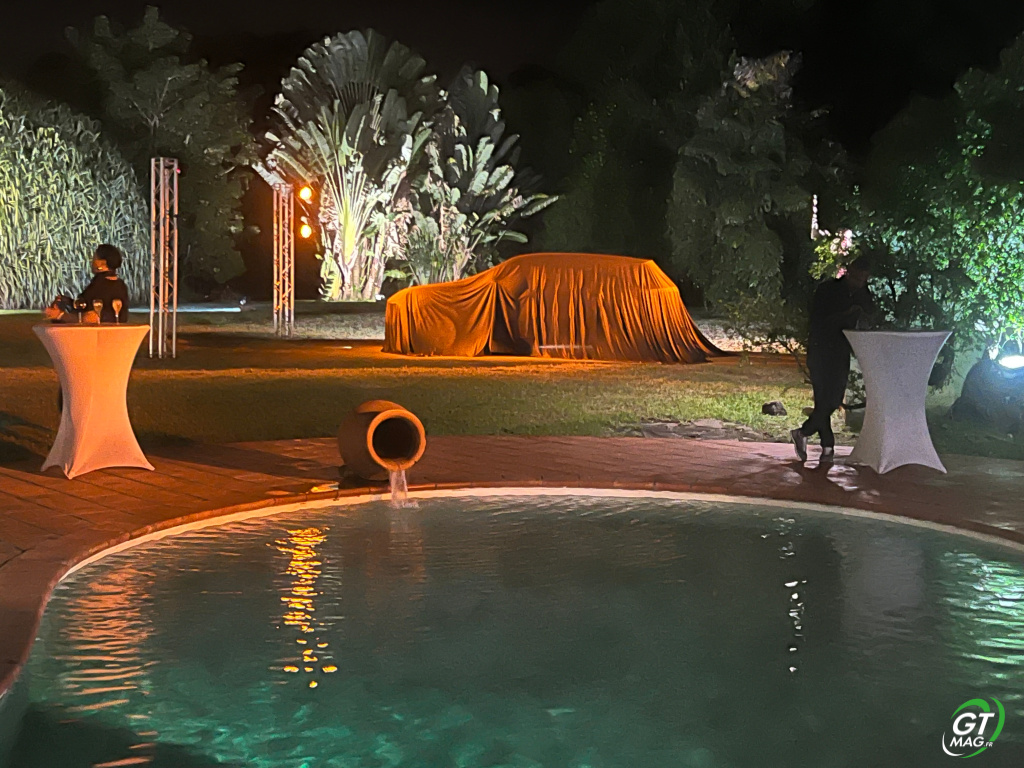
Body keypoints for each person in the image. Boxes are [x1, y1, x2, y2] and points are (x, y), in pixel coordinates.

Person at [791, 257, 874, 464]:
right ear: (849, 272)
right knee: (823, 398)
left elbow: (871, 314)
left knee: (834, 399)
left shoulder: (863, 295)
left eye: (863, 280)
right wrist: (844, 315)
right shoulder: (828, 290)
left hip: (841, 351)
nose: (858, 283)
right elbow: (818, 320)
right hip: (821, 349)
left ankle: (803, 432)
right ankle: (827, 446)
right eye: (856, 278)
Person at [45, 244, 130, 324]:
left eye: (94, 258)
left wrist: (59, 315)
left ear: (101, 263)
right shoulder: (120, 285)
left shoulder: (100, 285)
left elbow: (90, 317)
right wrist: (69, 302)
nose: (91, 262)